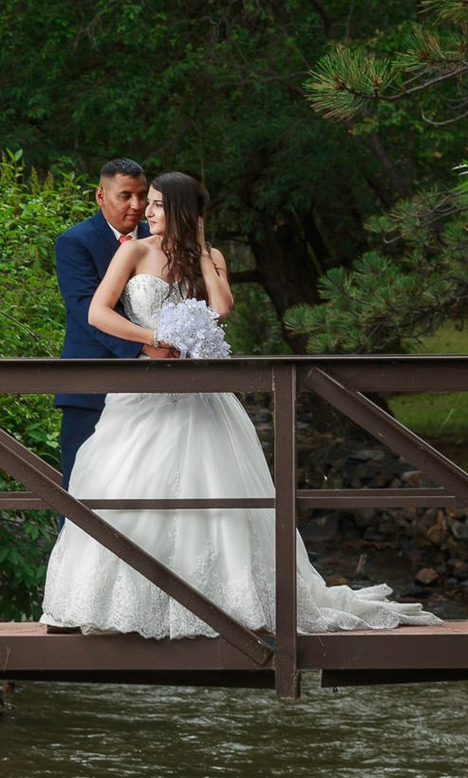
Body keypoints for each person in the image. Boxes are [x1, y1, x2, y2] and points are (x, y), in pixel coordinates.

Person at [38, 171, 439, 638]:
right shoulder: (133, 251)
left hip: (200, 392)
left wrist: (204, 250)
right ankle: (118, 603)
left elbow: (222, 308)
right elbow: (97, 312)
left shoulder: (211, 257)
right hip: (145, 390)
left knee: (212, 491)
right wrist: (153, 338)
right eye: (145, 203)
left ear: (183, 211)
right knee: (123, 486)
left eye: (157, 205)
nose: (146, 212)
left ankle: (217, 598)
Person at [53, 159, 160, 483]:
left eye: (142, 196)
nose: (137, 205)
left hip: (154, 387)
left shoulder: (159, 239)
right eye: (125, 195)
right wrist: (145, 344)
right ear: (101, 196)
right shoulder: (74, 242)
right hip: (90, 381)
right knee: (81, 487)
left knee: (147, 484)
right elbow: (86, 309)